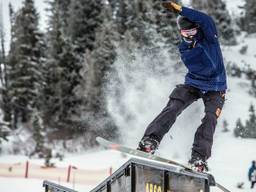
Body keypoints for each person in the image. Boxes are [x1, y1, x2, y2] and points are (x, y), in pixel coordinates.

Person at [137, 1, 227, 172]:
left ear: (198, 29)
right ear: (181, 32)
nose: (190, 35)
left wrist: (180, 9)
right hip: (193, 83)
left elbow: (205, 19)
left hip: (216, 87)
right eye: (186, 33)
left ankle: (198, 158)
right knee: (174, 105)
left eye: (193, 31)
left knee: (210, 118)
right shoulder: (183, 47)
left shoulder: (209, 37)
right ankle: (150, 140)